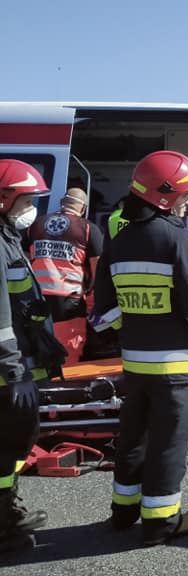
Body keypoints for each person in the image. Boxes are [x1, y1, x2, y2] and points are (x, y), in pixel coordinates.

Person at [93, 151, 188, 546]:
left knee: (133, 438)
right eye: (187, 196)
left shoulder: (119, 242)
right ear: (166, 197)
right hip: (176, 367)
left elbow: (103, 313)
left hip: (135, 364)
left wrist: (137, 328)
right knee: (169, 444)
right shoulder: (178, 241)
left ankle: (123, 512)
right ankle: (161, 523)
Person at [0, 160, 66, 554]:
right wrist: (15, 372)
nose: (33, 209)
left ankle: (7, 511)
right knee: (6, 448)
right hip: (7, 372)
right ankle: (4, 526)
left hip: (16, 366)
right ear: (4, 199)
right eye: (27, 200)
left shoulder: (8, 236)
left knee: (14, 445)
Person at [26, 188, 105, 362]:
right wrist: (91, 299)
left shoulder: (36, 225)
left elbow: (24, 260)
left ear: (62, 203)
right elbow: (98, 271)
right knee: (68, 349)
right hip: (68, 301)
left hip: (37, 298)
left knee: (37, 346)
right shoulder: (87, 229)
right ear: (83, 208)